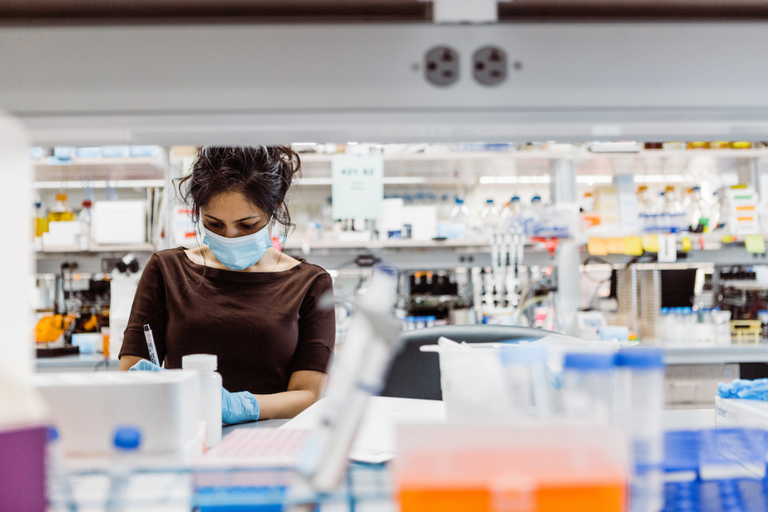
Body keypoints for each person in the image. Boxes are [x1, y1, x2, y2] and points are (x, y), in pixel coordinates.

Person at [118, 146, 335, 424]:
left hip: (273, 443)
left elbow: (308, 394)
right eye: (215, 224)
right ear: (198, 215)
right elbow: (129, 374)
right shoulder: (167, 270)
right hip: (186, 436)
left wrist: (239, 405)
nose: (230, 236)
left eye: (247, 225)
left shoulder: (310, 284)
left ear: (274, 211)